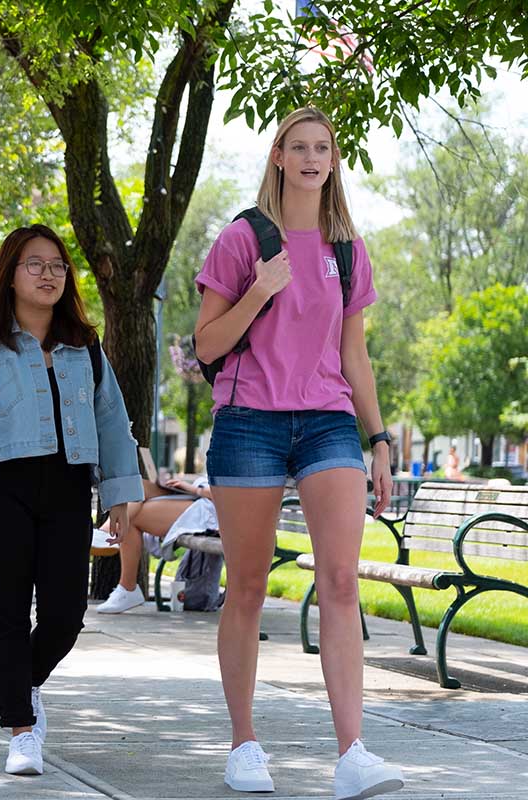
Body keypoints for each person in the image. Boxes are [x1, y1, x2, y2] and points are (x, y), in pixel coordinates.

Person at [193, 107, 404, 798]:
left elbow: (355, 355)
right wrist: (259, 289)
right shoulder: (241, 238)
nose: (312, 157)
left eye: (323, 147)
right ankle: (244, 745)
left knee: (340, 582)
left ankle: (353, 754)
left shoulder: (348, 249)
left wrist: (378, 438)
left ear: (333, 161)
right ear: (278, 157)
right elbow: (205, 346)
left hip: (326, 420)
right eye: (299, 146)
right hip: (249, 418)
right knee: (247, 589)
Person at [0, 224, 143, 777]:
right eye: (34, 264)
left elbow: (112, 420)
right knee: (9, 612)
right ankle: (21, 730)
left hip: (68, 488)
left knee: (67, 615)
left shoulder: (85, 347)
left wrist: (120, 493)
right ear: (11, 275)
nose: (48, 275)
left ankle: (23, 683)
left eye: (57, 266)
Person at [95, 476, 211, 613]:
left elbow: (228, 490)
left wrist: (193, 488)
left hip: (213, 504)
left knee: (132, 516)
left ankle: (127, 586)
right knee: (136, 486)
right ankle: (105, 531)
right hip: (199, 492)